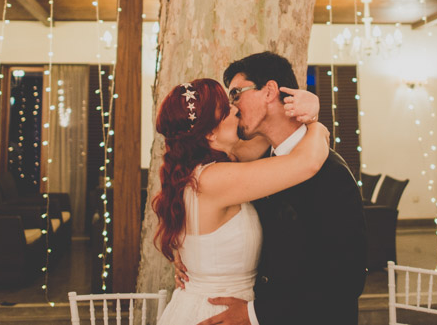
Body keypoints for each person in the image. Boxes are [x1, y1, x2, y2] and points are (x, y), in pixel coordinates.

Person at [189, 51, 368, 325]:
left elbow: (346, 280)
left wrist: (254, 314)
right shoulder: (258, 164)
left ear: (269, 91)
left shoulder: (332, 173)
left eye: (236, 94)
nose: (233, 107)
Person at [153, 78, 329, 325]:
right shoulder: (213, 180)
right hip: (216, 313)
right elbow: (307, 163)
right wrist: (316, 123)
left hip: (208, 302)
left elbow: (269, 136)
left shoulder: (202, 172)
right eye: (225, 108)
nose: (235, 108)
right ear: (210, 131)